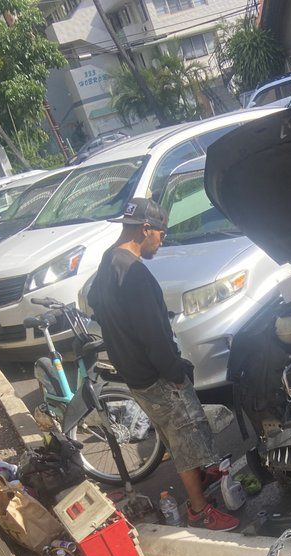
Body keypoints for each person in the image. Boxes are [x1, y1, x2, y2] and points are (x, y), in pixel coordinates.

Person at [87, 197, 239, 531]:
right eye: (161, 233)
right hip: (156, 374)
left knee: (173, 435)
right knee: (184, 435)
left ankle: (203, 475)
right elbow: (153, 336)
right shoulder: (137, 273)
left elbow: (96, 304)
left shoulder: (108, 261)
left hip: (133, 373)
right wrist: (175, 374)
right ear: (145, 229)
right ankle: (199, 509)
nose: (163, 240)